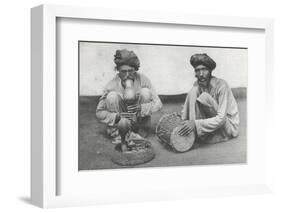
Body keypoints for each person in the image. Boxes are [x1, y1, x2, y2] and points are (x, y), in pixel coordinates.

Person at [96, 49, 162, 143]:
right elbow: (99, 113)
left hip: (140, 126)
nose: (127, 75)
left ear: (135, 69)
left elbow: (158, 103)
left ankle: (139, 132)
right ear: (118, 70)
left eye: (130, 71)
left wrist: (142, 108)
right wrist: (117, 116)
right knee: (112, 96)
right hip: (120, 127)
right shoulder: (111, 85)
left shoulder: (143, 79)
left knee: (145, 92)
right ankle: (120, 135)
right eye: (123, 71)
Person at [178, 53, 239, 144]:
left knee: (204, 97)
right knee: (193, 91)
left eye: (204, 70)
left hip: (228, 127)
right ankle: (187, 128)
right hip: (213, 123)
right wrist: (183, 119)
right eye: (198, 70)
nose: (201, 74)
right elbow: (191, 104)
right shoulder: (197, 85)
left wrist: (195, 124)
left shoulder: (222, 85)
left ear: (210, 71)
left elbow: (221, 119)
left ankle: (194, 132)